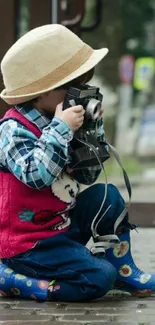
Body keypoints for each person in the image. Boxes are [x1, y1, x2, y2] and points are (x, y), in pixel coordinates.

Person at [0, 24, 154, 302]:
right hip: (28, 245)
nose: (80, 93)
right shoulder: (13, 129)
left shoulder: (61, 120)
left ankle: (123, 268)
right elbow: (36, 176)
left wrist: (90, 131)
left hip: (60, 227)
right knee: (98, 277)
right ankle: (16, 280)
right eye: (73, 86)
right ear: (42, 91)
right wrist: (60, 128)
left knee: (107, 196)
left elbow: (87, 176)